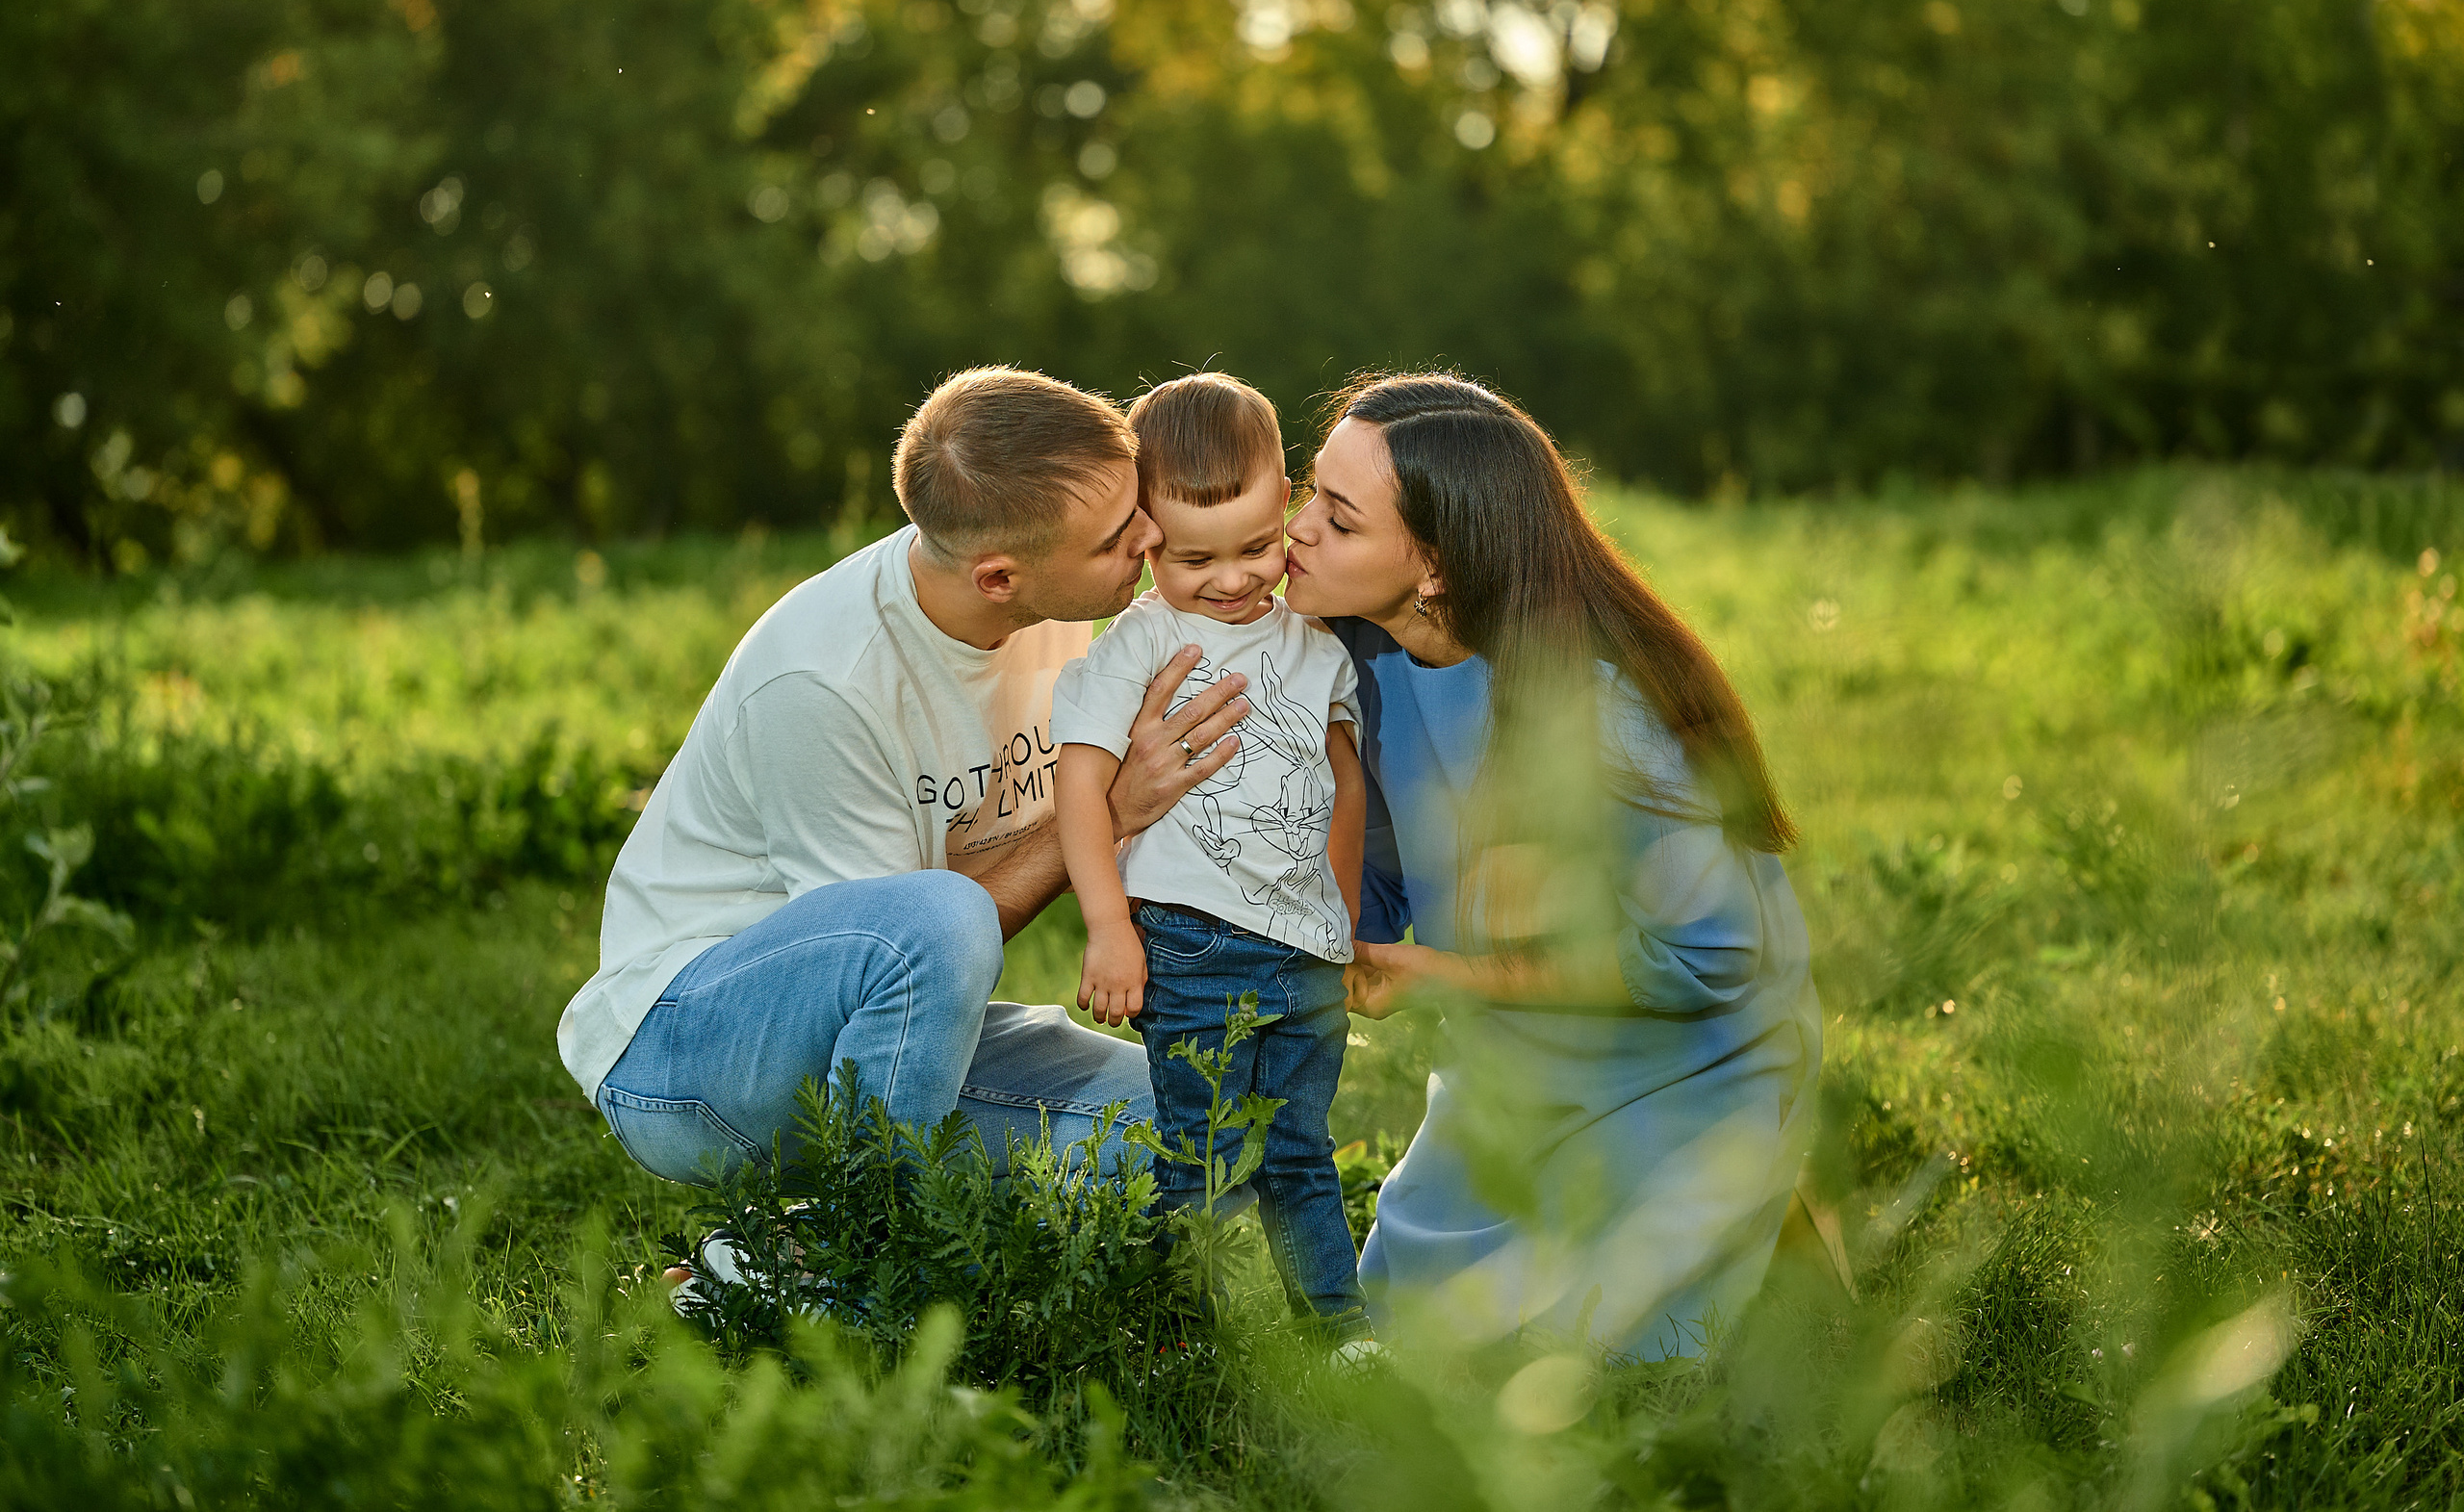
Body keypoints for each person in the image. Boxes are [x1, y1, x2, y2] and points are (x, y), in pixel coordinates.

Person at [556, 366, 1258, 1211]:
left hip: (892, 1047)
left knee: (1211, 1125)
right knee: (939, 916)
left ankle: (752, 1269)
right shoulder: (826, 681)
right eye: (1115, 538)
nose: (1150, 535)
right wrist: (1106, 812)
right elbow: (901, 960)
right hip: (688, 1050)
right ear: (998, 577)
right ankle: (858, 1269)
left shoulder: (1068, 601)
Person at [1280, 372, 1824, 1362]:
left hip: (1683, 1053)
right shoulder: (1355, 657)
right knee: (1422, 1317)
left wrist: (1448, 975)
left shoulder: (1599, 708)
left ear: (1434, 566)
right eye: (1307, 492)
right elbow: (1387, 878)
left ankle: (1748, 1194)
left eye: (1338, 518)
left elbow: (1712, 960)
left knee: (1582, 1355)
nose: (1297, 530)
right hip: (1518, 1047)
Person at [1050, 372, 1373, 1343]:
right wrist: (1109, 925)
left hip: (1304, 949)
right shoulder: (1137, 641)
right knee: (1196, 1154)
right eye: (1196, 559)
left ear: (1288, 504)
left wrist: (1341, 923)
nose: (1233, 579)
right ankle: (1166, 1333)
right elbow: (1080, 790)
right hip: (1187, 942)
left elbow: (1344, 784)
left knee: (1299, 1152)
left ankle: (1339, 1330)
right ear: (1144, 534)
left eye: (1257, 546)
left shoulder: (1319, 641)